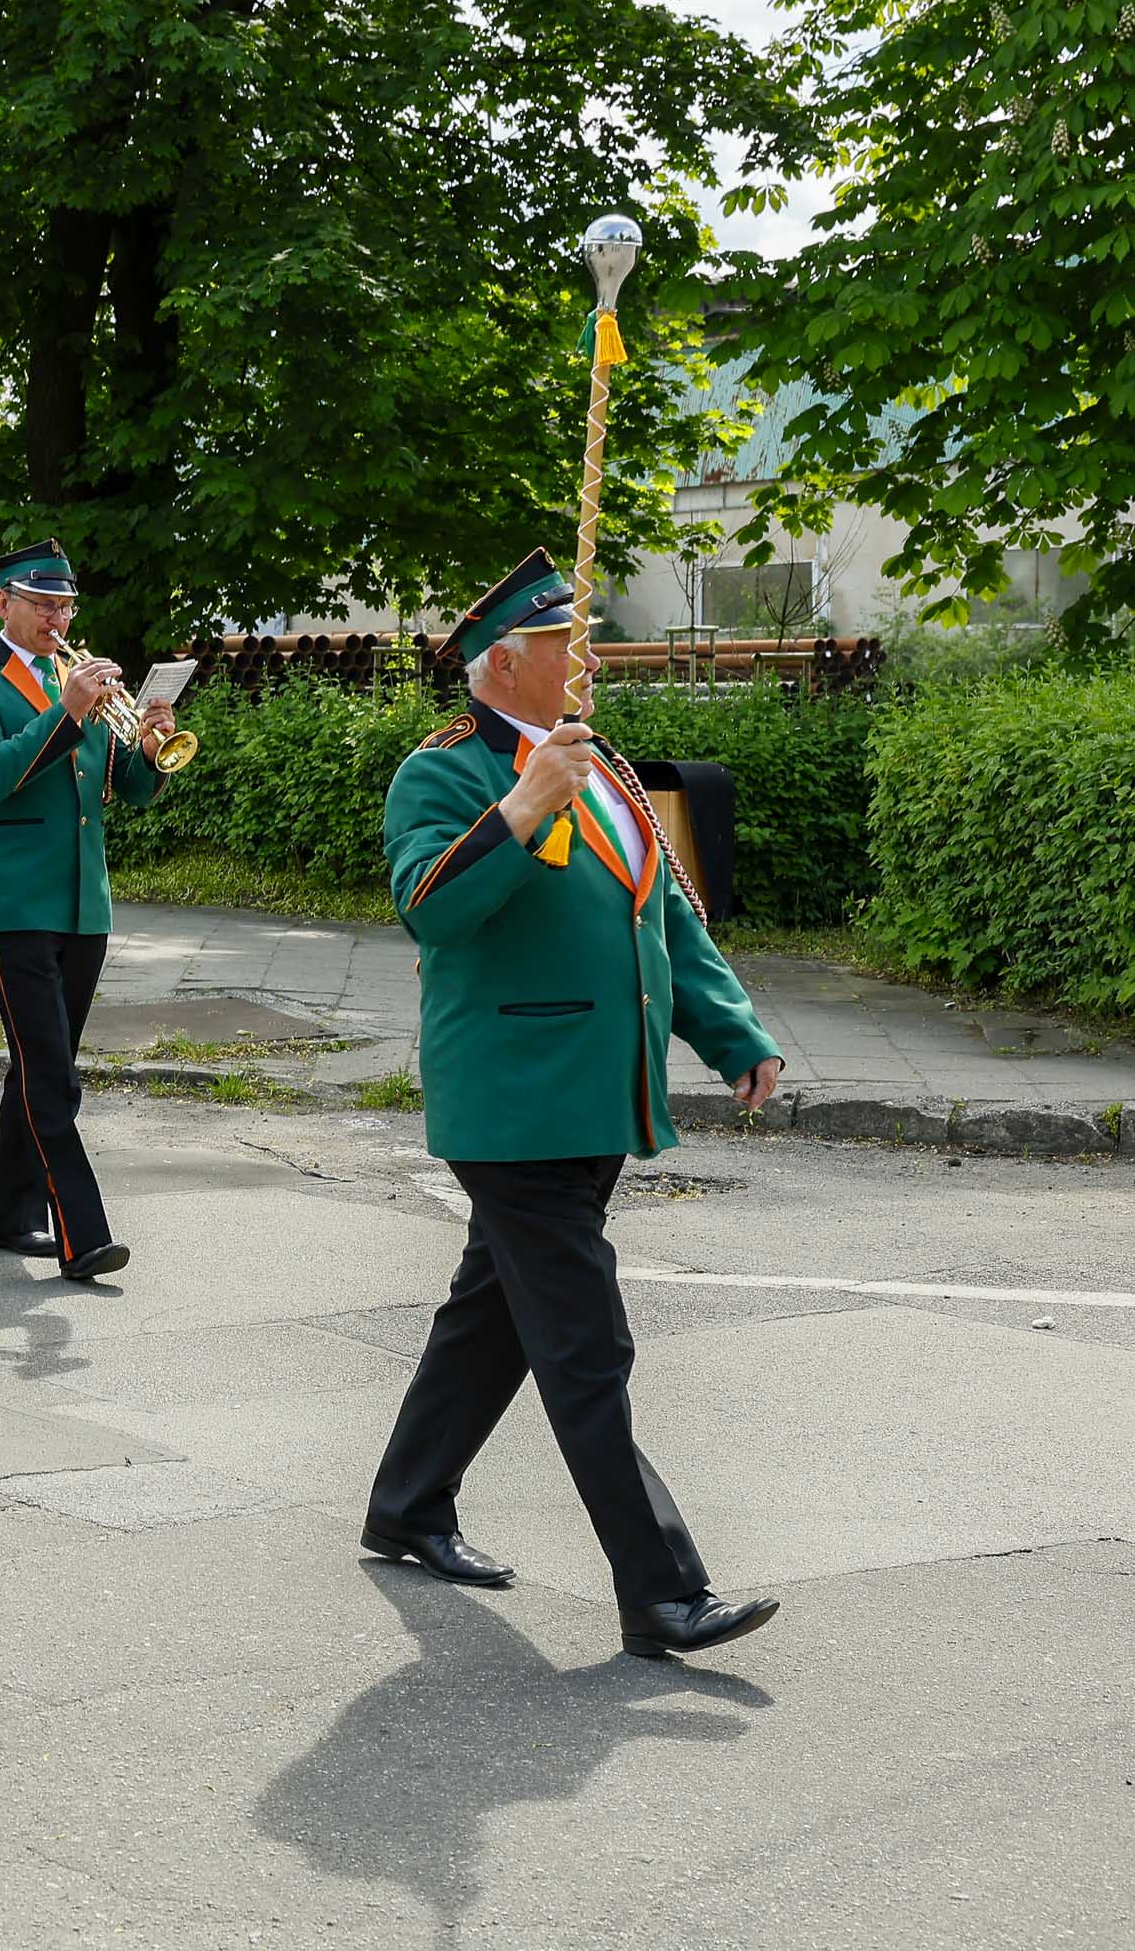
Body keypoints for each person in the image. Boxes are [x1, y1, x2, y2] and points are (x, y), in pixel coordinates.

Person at [363, 549, 787, 1660]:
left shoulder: (601, 766)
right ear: (504, 663)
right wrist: (518, 810)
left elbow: (666, 915)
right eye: (566, 643)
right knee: (587, 1344)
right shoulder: (443, 773)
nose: (587, 657)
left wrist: (733, 1032)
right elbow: (430, 911)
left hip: (596, 1094)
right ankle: (663, 1592)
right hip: (512, 1104)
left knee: (493, 1314)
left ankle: (407, 1505)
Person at [0, 540, 175, 1281]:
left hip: (81, 900)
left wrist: (149, 749)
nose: (57, 618)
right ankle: (82, 1233)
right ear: (4, 603)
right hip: (12, 898)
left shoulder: (77, 679)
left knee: (41, 1063)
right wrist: (66, 711)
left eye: (66, 606)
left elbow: (127, 790)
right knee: (50, 1073)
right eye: (43, 604)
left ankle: (4, 1215)